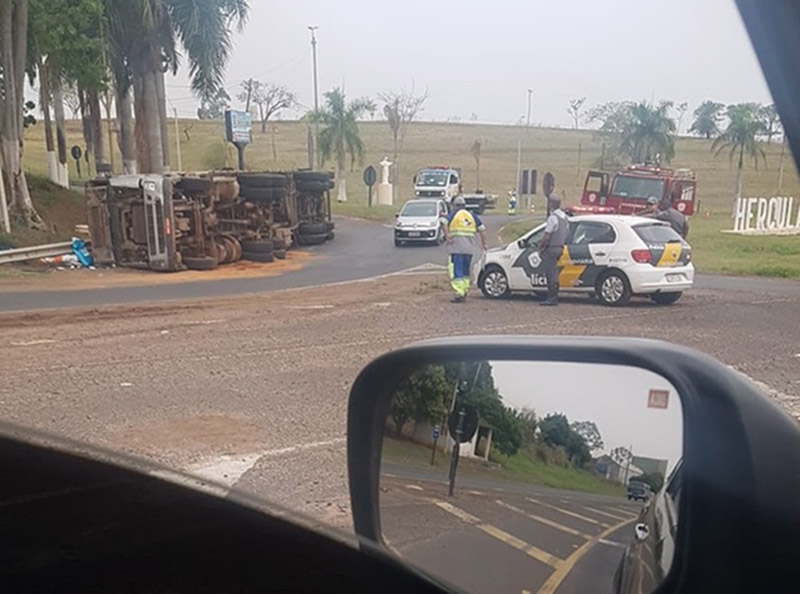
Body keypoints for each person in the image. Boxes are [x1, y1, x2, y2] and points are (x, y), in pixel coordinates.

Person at [441, 196, 488, 303]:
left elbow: (443, 222)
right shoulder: (472, 216)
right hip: (469, 250)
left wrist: (447, 236)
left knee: (456, 271)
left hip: (456, 248)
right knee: (466, 271)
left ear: (455, 205)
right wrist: (484, 244)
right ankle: (465, 290)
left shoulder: (454, 214)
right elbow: (482, 230)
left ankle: (459, 294)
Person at [538, 194, 570, 306]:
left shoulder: (553, 218)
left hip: (552, 248)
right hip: (560, 246)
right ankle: (553, 296)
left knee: (551, 273)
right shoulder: (565, 218)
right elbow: (567, 233)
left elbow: (547, 235)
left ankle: (552, 297)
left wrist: (541, 247)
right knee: (554, 272)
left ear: (551, 204)